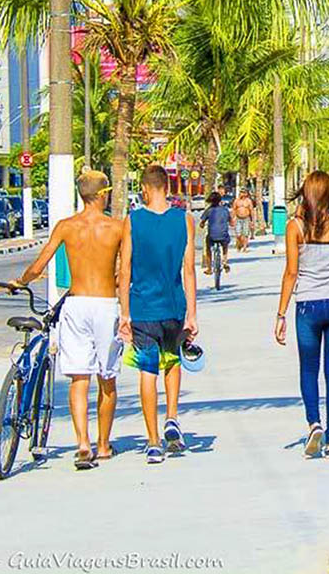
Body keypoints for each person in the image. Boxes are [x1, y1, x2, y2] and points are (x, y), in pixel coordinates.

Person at [12, 170, 124, 470]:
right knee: (107, 378)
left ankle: (83, 444)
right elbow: (124, 272)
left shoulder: (66, 226)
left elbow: (39, 265)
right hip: (106, 304)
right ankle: (103, 445)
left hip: (76, 304)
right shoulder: (117, 227)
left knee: (78, 378)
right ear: (102, 194)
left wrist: (21, 281)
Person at [118, 164, 198, 464]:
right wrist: (192, 313)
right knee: (173, 360)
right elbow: (188, 269)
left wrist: (124, 313)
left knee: (147, 371)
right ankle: (172, 416)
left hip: (142, 309)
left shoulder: (132, 221)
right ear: (168, 187)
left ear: (143, 189)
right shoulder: (184, 220)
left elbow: (124, 269)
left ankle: (153, 443)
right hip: (174, 307)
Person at [274, 171, 329, 459]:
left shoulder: (295, 227)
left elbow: (291, 273)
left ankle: (314, 423)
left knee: (309, 369)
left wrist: (280, 314)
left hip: (307, 306)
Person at [199, 191, 232, 277]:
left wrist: (202, 225)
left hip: (212, 236)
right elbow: (231, 222)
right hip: (223, 235)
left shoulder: (209, 210)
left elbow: (202, 222)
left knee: (208, 248)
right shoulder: (225, 210)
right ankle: (225, 261)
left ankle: (209, 268)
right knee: (225, 244)